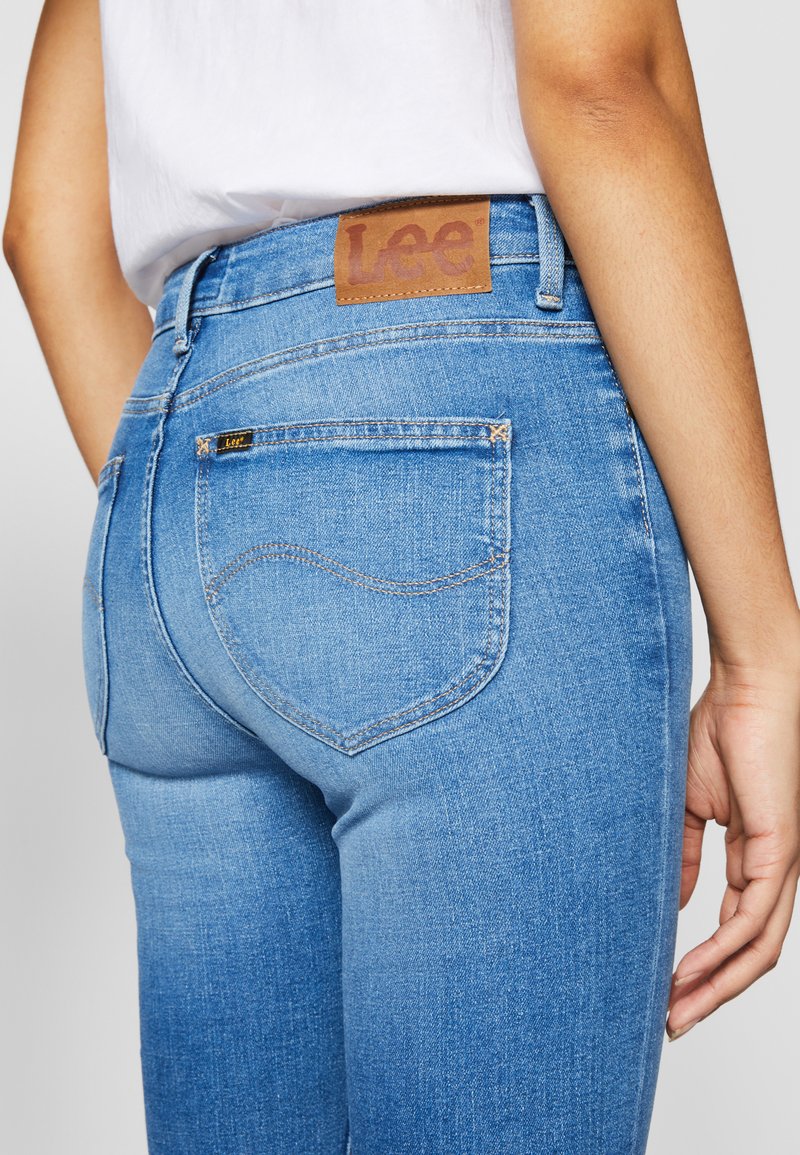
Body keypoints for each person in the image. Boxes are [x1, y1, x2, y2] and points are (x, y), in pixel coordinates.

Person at [4, 2, 799, 1153]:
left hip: (176, 463)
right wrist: (760, 655)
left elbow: (46, 222)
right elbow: (594, 82)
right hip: (453, 422)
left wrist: (236, 515)